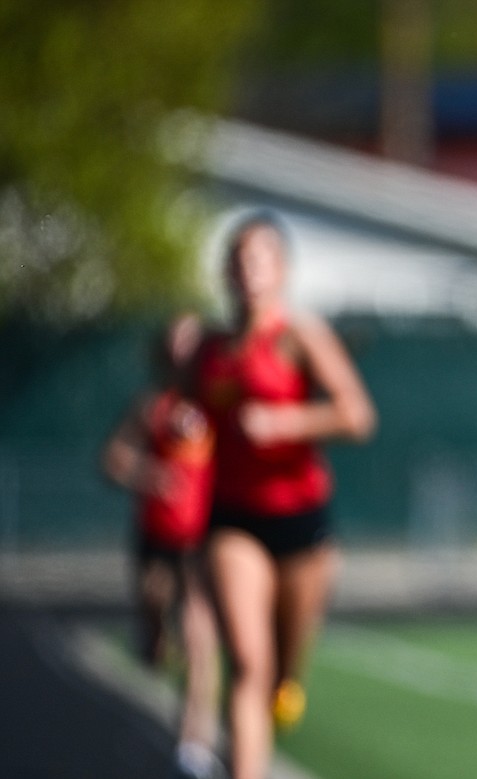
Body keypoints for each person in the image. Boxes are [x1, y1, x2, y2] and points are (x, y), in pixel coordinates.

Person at [195, 211, 377, 779]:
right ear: (226, 271)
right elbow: (184, 409)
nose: (248, 270)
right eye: (238, 259)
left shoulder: (300, 335)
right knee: (248, 663)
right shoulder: (211, 349)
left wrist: (286, 423)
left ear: (281, 269)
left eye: (259, 258)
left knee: (279, 676)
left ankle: (284, 688)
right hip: (233, 521)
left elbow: (357, 415)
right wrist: (181, 425)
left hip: (301, 522)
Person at [102, 311, 225, 779]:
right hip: (156, 537)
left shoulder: (218, 403)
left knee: (200, 638)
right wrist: (146, 474)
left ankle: (193, 745)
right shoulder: (151, 406)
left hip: (203, 539)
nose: (184, 351)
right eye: (176, 341)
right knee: (155, 632)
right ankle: (155, 637)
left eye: (193, 342)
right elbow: (113, 458)